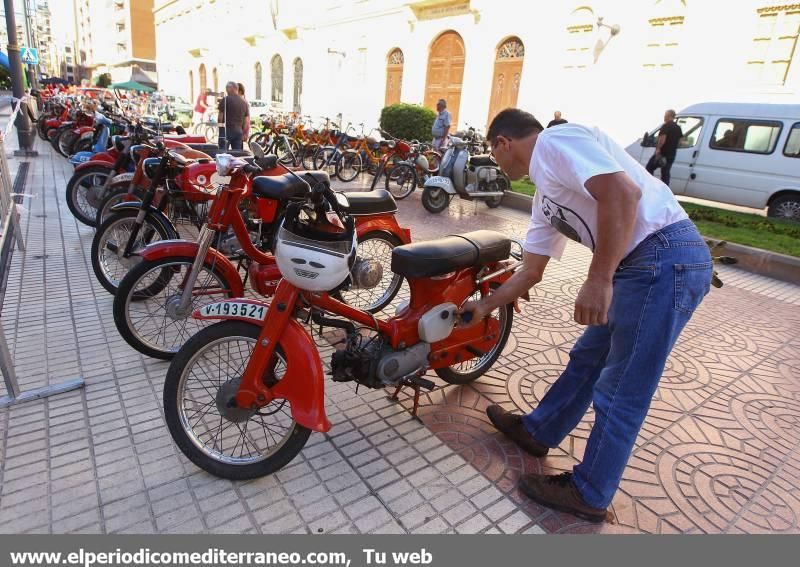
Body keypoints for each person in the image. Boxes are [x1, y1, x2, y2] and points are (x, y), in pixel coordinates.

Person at [460, 108, 711, 523]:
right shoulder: (545, 195)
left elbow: (623, 193)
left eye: (493, 153)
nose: (497, 164)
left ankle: (590, 491)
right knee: (588, 359)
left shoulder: (556, 142)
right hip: (640, 266)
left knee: (622, 385)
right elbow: (531, 271)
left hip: (664, 257)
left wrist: (599, 279)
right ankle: (539, 430)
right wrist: (484, 306)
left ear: (504, 143)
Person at [645, 109, 683, 186]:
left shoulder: (666, 126)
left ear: (669, 116)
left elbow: (662, 139)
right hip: (671, 154)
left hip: (662, 153)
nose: (664, 117)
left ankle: (649, 185)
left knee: (649, 168)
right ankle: (665, 189)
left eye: (665, 115)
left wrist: (658, 149)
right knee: (665, 173)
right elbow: (681, 141)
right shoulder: (678, 127)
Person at [217, 81, 249, 151]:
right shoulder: (244, 102)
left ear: (232, 88)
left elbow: (220, 118)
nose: (226, 90)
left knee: (223, 153)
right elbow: (246, 121)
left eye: (227, 88)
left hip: (226, 131)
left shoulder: (225, 100)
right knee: (238, 154)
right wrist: (244, 133)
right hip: (238, 132)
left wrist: (220, 129)